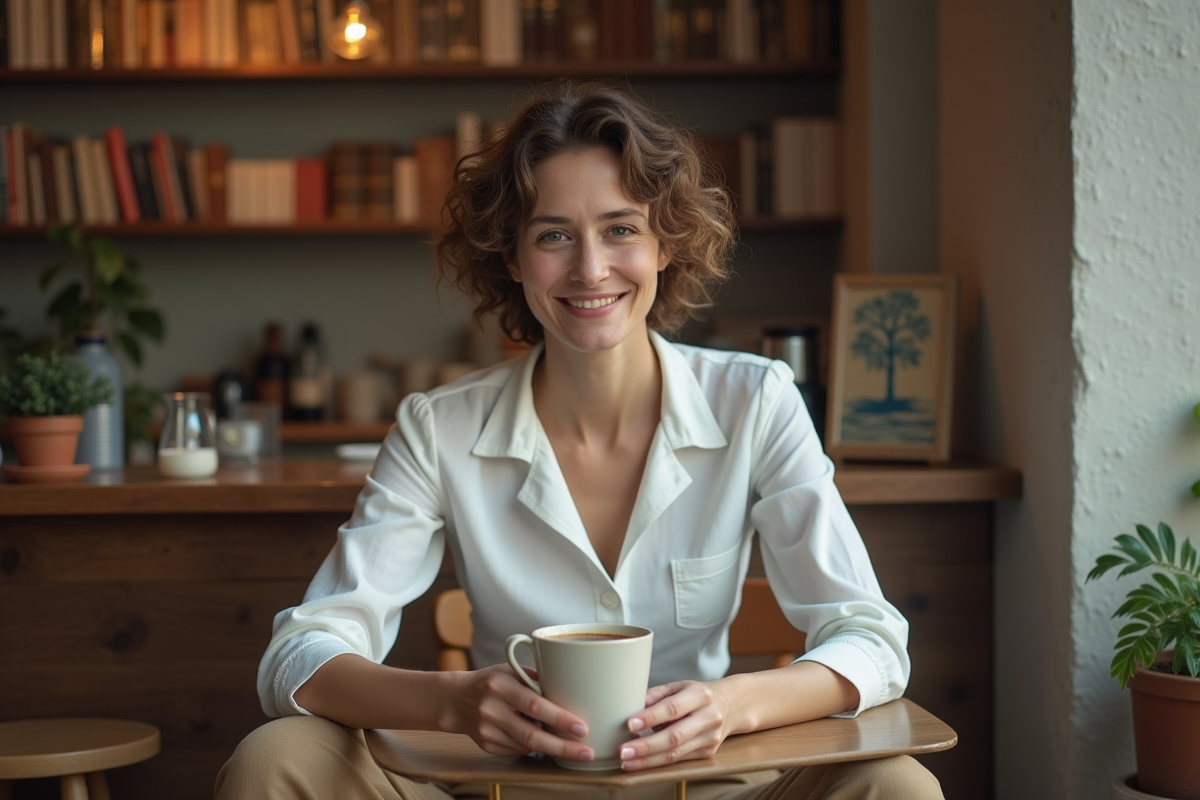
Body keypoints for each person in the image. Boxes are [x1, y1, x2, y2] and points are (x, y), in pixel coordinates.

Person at [215, 81, 943, 800]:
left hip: (712, 785)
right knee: (275, 756)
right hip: (506, 788)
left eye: (622, 229)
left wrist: (733, 705)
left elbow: (872, 640)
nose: (590, 269)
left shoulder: (756, 401)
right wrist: (454, 703)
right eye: (554, 235)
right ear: (511, 258)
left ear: (666, 245)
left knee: (896, 783)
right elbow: (299, 658)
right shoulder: (439, 427)